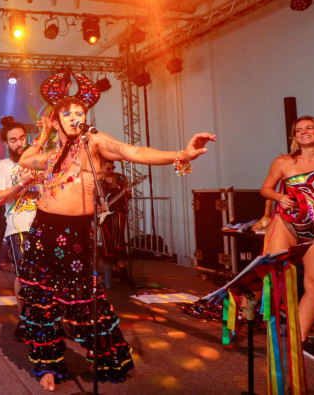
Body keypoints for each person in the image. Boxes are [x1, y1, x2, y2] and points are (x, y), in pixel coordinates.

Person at [17, 72, 215, 390]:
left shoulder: (93, 142)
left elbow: (130, 152)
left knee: (85, 299)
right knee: (42, 300)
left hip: (75, 234)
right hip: (43, 232)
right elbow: (25, 160)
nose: (74, 118)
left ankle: (107, 357)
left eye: (79, 113)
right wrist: (42, 134)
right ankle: (47, 365)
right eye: (66, 114)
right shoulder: (53, 155)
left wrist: (180, 154)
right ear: (56, 122)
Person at [260, 115, 314, 363]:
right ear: (294, 138)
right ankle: (254, 316)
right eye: (298, 130)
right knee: (272, 275)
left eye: (309, 128)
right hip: (287, 223)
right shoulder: (284, 162)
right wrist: (278, 197)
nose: (303, 132)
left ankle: (299, 339)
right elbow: (265, 189)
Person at [0, 116, 40, 339]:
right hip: (19, 227)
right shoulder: (2, 166)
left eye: (22, 138)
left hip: (44, 226)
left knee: (45, 276)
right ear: (6, 144)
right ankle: (26, 319)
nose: (19, 143)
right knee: (24, 276)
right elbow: (0, 197)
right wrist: (21, 183)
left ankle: (46, 317)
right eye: (13, 140)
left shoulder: (39, 162)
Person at [98, 159, 130, 287]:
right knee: (107, 240)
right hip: (105, 214)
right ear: (102, 168)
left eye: (113, 168)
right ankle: (112, 268)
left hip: (119, 211)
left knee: (118, 238)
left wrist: (128, 194)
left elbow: (128, 196)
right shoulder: (98, 181)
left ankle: (122, 267)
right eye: (108, 169)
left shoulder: (121, 178)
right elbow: (95, 198)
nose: (112, 171)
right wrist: (98, 208)